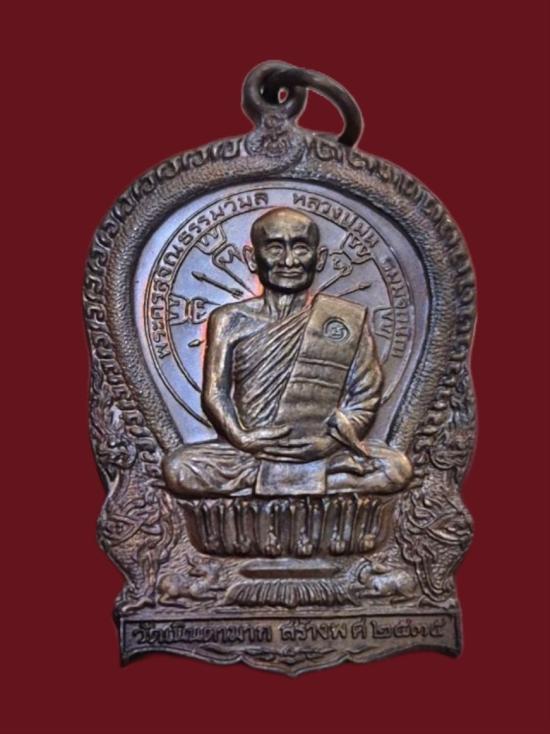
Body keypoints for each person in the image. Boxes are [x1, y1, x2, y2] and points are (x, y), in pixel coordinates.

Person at [163, 208, 411, 497]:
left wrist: (330, 443)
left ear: (319, 258)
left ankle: (295, 476)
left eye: (301, 248)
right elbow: (216, 394)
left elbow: (365, 398)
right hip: (251, 451)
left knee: (396, 469)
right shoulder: (229, 319)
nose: (289, 261)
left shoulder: (345, 320)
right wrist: (242, 438)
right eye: (275, 248)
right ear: (252, 258)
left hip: (319, 449)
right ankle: (315, 480)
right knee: (179, 469)